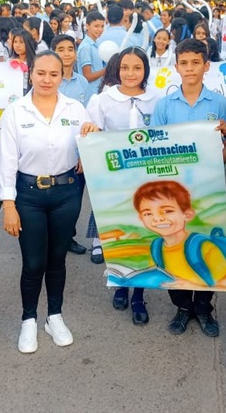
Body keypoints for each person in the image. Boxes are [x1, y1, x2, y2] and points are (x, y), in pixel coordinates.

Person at [0, 51, 99, 353]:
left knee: (57, 259)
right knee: (33, 262)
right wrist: (9, 205)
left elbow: (89, 144)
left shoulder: (75, 108)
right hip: (28, 195)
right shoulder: (16, 112)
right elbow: (6, 162)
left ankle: (54, 316)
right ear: (31, 74)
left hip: (66, 193)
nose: (47, 79)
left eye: (54, 74)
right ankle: (29, 320)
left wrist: (92, 137)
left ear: (61, 75)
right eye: (41, 73)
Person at [150, 38, 226, 337]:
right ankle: (182, 306)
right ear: (176, 67)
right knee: (175, 245)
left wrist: (217, 164)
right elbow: (154, 145)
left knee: (206, 248)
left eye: (195, 63)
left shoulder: (219, 103)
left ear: (206, 66)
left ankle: (204, 307)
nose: (189, 68)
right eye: (184, 63)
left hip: (208, 188)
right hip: (172, 190)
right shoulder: (165, 105)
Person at [85, 47, 160, 325]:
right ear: (117, 70)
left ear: (145, 70)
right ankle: (120, 284)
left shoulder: (157, 99)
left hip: (148, 178)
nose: (131, 74)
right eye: (125, 67)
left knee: (145, 234)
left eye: (137, 68)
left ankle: (139, 293)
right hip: (114, 179)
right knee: (120, 235)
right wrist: (90, 131)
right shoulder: (103, 100)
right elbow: (91, 133)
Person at [51, 34, 93, 255]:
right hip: (53, 151)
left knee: (74, 201)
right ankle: (53, 237)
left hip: (77, 151)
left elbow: (85, 120)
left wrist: (83, 154)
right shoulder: (49, 81)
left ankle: (68, 237)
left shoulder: (82, 82)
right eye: (60, 49)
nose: (66, 53)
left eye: (70, 49)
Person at [77, 10, 107, 92]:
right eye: (96, 26)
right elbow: (87, 76)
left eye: (102, 26)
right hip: (90, 92)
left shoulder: (97, 43)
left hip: (99, 90)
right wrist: (107, 69)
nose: (100, 30)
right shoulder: (86, 47)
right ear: (87, 26)